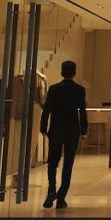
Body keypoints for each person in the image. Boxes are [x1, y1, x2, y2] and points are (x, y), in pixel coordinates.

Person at [40, 60, 88, 209]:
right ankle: (61, 197)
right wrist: (84, 130)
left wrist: (43, 127)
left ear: (62, 71)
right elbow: (82, 111)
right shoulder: (79, 90)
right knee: (68, 164)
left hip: (56, 128)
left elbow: (47, 109)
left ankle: (51, 190)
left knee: (52, 163)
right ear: (74, 72)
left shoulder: (54, 89)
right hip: (72, 129)